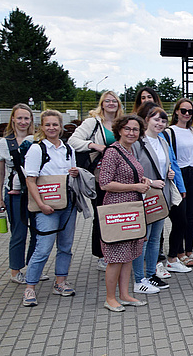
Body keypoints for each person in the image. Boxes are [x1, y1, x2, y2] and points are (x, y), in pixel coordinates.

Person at [21, 110, 80, 307]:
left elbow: (72, 177)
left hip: (67, 204)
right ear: (42, 127)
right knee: (43, 248)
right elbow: (30, 180)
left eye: (55, 124)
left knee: (65, 246)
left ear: (61, 127)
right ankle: (30, 287)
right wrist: (41, 205)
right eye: (48, 125)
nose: (52, 128)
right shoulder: (37, 149)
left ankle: (60, 282)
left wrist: (75, 172)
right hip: (46, 206)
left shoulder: (68, 149)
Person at [98, 114, 152, 311]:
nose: (131, 132)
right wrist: (135, 187)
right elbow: (105, 183)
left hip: (132, 208)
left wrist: (143, 181)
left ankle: (125, 294)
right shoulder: (112, 152)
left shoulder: (129, 151)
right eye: (128, 129)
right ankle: (110, 298)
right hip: (118, 209)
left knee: (129, 254)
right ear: (119, 130)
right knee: (116, 256)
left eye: (136, 129)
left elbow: (131, 176)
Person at [132, 103, 186, 292]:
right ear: (147, 120)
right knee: (143, 238)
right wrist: (150, 181)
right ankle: (139, 279)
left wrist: (169, 173)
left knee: (155, 238)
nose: (160, 123)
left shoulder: (163, 141)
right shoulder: (138, 142)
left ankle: (150, 275)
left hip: (161, 196)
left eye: (163, 120)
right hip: (145, 195)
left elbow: (165, 164)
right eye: (156, 119)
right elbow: (133, 169)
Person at [68, 91, 124, 272]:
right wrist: (93, 145)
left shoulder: (122, 122)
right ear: (101, 104)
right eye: (107, 101)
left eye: (114, 101)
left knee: (117, 213)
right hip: (100, 175)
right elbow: (73, 141)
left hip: (120, 176)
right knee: (101, 213)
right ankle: (101, 254)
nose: (110, 104)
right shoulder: (92, 122)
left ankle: (116, 249)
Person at [0, 104, 41, 284]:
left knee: (37, 232)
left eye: (26, 118)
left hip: (35, 192)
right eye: (19, 118)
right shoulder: (4, 143)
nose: (23, 122)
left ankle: (32, 267)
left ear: (31, 120)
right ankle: (15, 271)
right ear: (13, 119)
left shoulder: (37, 140)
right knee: (18, 233)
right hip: (14, 193)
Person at [164, 98, 193, 270]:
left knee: (192, 215)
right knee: (180, 217)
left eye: (190, 111)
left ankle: (189, 250)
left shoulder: (192, 131)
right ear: (176, 112)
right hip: (178, 174)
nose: (186, 114)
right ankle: (178, 252)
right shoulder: (169, 131)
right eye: (183, 111)